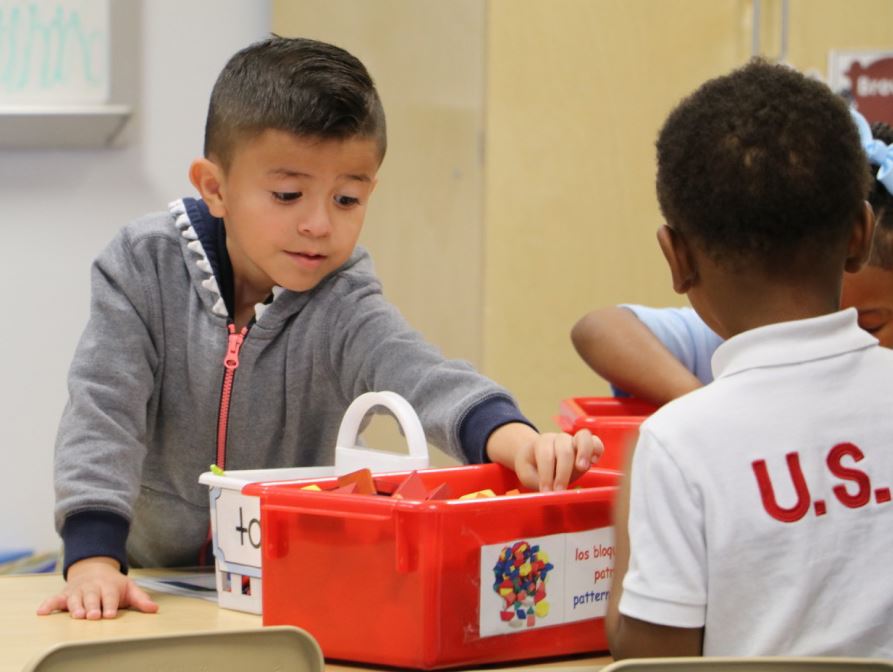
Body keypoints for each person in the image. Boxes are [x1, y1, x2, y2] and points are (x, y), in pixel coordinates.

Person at [37, 36, 599, 621]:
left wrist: (520, 441)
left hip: (286, 577)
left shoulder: (342, 295)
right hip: (144, 573)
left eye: (347, 199)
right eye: (287, 194)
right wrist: (93, 558)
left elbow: (418, 372)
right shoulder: (142, 265)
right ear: (215, 187)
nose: (318, 224)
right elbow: (103, 410)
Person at [605, 60, 893, 657]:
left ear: (677, 259)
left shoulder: (679, 446)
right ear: (860, 236)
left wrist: (626, 544)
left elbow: (654, 661)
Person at [571, 113, 893, 407]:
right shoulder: (744, 334)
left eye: (868, 325)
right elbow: (599, 328)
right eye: (801, 322)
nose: (826, 342)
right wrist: (707, 406)